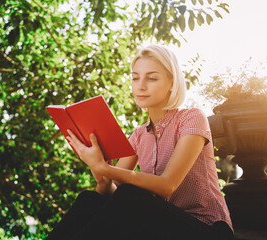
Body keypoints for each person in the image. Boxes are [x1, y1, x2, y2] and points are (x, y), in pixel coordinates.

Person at [45, 44, 234, 240]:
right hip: (161, 225)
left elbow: (166, 185)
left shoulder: (192, 118)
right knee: (90, 199)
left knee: (131, 194)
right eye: (135, 78)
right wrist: (102, 176)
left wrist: (104, 168)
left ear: (172, 82)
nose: (140, 86)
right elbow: (112, 191)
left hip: (206, 229)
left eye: (151, 78)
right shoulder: (139, 135)